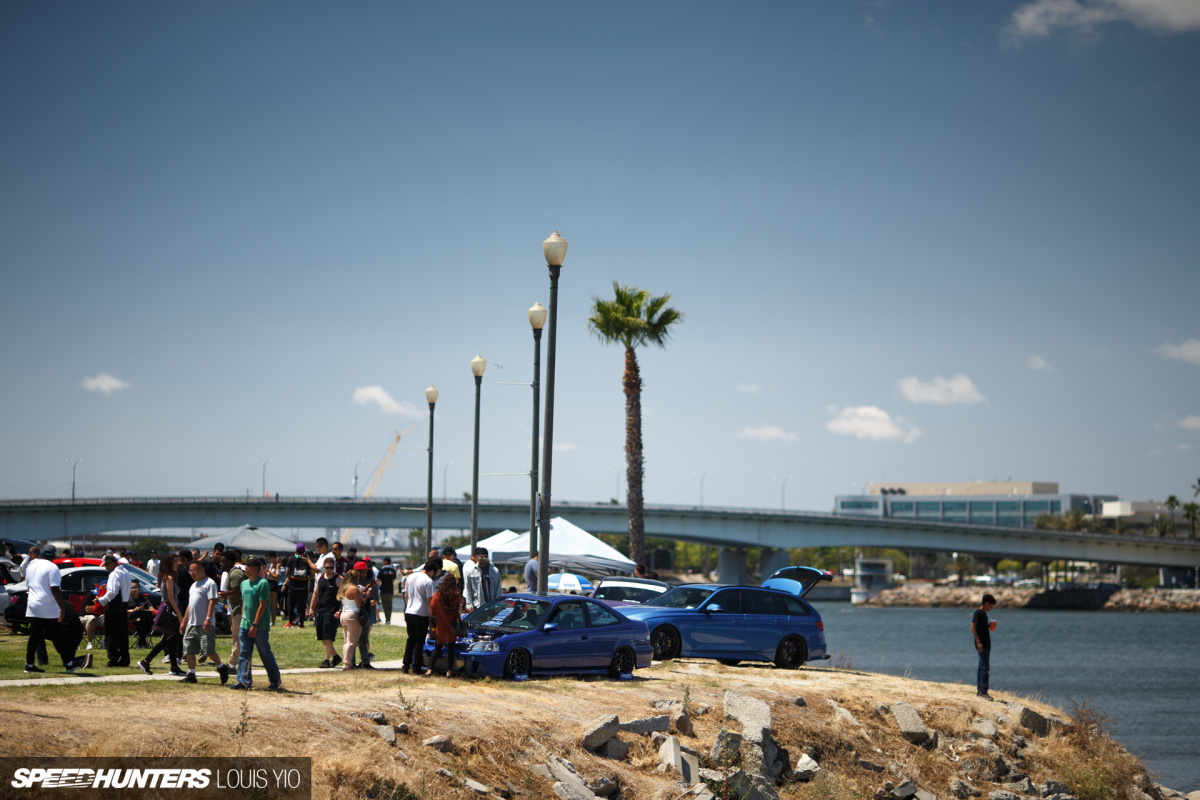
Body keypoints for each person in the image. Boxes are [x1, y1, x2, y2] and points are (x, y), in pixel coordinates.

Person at [231, 557, 282, 691]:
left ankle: (275, 680)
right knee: (244, 653)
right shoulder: (244, 584)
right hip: (245, 625)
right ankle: (243, 681)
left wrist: (254, 624)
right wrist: (243, 620)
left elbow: (262, 606)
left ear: (256, 568)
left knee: (264, 653)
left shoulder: (263, 583)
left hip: (259, 626)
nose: (245, 568)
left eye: (248, 565)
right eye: (245, 565)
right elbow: (244, 604)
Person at [179, 560, 229, 684]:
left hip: (205, 623)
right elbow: (190, 605)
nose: (192, 574)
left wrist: (208, 618)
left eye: (194, 571)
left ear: (202, 570)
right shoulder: (193, 585)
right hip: (192, 622)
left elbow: (212, 602)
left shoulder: (210, 583)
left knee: (208, 650)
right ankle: (191, 674)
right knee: (189, 649)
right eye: (190, 571)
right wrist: (184, 622)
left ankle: (221, 667)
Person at [139, 553, 185, 676]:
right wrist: (180, 615)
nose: (177, 563)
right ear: (169, 564)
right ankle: (146, 661)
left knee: (172, 638)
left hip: (168, 609)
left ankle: (174, 667)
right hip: (170, 610)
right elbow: (171, 598)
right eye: (175, 561)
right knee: (167, 639)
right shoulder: (168, 578)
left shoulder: (166, 577)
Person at [22, 546, 64, 673]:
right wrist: (62, 607)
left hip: (33, 605)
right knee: (57, 635)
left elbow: (28, 586)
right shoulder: (52, 567)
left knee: (34, 636)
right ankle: (69, 662)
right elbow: (55, 588)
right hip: (48, 607)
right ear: (54, 555)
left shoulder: (31, 565)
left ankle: (29, 664)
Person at [402, 558, 439, 674]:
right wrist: (432, 615)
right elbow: (430, 602)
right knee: (419, 641)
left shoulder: (410, 577)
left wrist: (408, 607)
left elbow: (406, 596)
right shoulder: (428, 581)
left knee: (410, 640)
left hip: (409, 611)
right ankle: (416, 667)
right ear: (432, 571)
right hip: (421, 613)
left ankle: (405, 665)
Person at [97, 553, 131, 667]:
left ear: (111, 563)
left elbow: (113, 592)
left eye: (106, 565)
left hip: (114, 605)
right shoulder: (125, 572)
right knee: (122, 634)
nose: (105, 567)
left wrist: (101, 600)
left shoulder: (114, 574)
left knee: (111, 633)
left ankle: (113, 659)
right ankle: (125, 659)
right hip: (124, 604)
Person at [308, 558, 343, 668]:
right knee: (322, 637)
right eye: (327, 567)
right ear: (323, 567)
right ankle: (336, 657)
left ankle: (326, 660)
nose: (329, 570)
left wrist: (340, 610)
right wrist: (311, 608)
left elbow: (343, 597)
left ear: (334, 567)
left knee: (328, 637)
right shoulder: (320, 577)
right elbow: (315, 594)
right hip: (320, 610)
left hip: (332, 611)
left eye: (331, 568)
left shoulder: (339, 579)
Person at [428, 573, 464, 678]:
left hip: (440, 624)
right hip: (452, 624)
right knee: (451, 649)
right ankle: (449, 672)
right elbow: (460, 609)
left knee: (437, 648)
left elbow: (432, 608)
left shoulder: (437, 595)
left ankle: (429, 670)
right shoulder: (456, 595)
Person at [219, 550, 246, 666]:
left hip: (239, 610)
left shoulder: (235, 574)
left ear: (229, 561)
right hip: (236, 609)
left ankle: (232, 664)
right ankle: (241, 662)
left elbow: (236, 592)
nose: (221, 564)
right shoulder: (232, 573)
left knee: (237, 637)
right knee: (239, 637)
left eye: (223, 561)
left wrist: (222, 594)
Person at [337, 568, 363, 671]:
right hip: (353, 614)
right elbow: (359, 604)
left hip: (344, 614)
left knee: (346, 641)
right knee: (351, 642)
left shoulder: (343, 588)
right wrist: (364, 597)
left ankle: (347, 663)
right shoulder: (354, 588)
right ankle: (347, 665)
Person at [972, 593, 997, 700]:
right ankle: (983, 692)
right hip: (982, 643)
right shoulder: (977, 613)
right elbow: (973, 628)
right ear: (986, 603)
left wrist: (989, 626)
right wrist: (978, 642)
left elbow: (982, 628)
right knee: (985, 667)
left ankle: (980, 690)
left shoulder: (984, 614)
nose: (991, 608)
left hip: (986, 643)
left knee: (982, 666)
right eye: (991, 605)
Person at [463, 547, 501, 613]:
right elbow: (468, 589)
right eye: (480, 557)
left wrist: (498, 605)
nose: (482, 559)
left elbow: (498, 589)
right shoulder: (471, 571)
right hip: (477, 606)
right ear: (477, 557)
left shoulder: (495, 571)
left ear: (487, 557)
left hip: (492, 606)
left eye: (484, 557)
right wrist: (469, 604)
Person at [353, 562, 377, 668]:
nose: (365, 573)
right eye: (363, 572)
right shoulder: (351, 583)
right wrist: (367, 588)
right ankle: (352, 662)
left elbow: (375, 599)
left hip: (366, 613)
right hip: (354, 613)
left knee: (364, 639)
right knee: (353, 640)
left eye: (366, 571)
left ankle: (365, 661)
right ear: (357, 572)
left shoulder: (369, 581)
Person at [284, 544, 311, 628]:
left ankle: (290, 622)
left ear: (296, 551)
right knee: (302, 606)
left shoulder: (291, 560)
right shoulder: (306, 561)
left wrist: (291, 579)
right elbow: (312, 574)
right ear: (304, 551)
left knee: (291, 605)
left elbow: (286, 573)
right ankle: (301, 623)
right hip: (303, 587)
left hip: (293, 587)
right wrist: (306, 579)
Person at [127, 579, 155, 648]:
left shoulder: (143, 599)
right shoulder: (127, 599)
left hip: (143, 617)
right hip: (131, 617)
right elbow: (123, 610)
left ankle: (141, 641)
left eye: (136, 588)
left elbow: (152, 610)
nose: (134, 590)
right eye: (132, 588)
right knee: (141, 620)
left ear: (139, 589)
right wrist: (133, 610)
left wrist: (143, 609)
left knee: (148, 620)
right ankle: (142, 642)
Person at [377, 557, 397, 625]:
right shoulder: (393, 570)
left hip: (383, 589)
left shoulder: (382, 570)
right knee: (390, 604)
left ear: (385, 562)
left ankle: (387, 618)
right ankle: (389, 618)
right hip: (390, 589)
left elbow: (378, 580)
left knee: (384, 604)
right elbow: (393, 580)